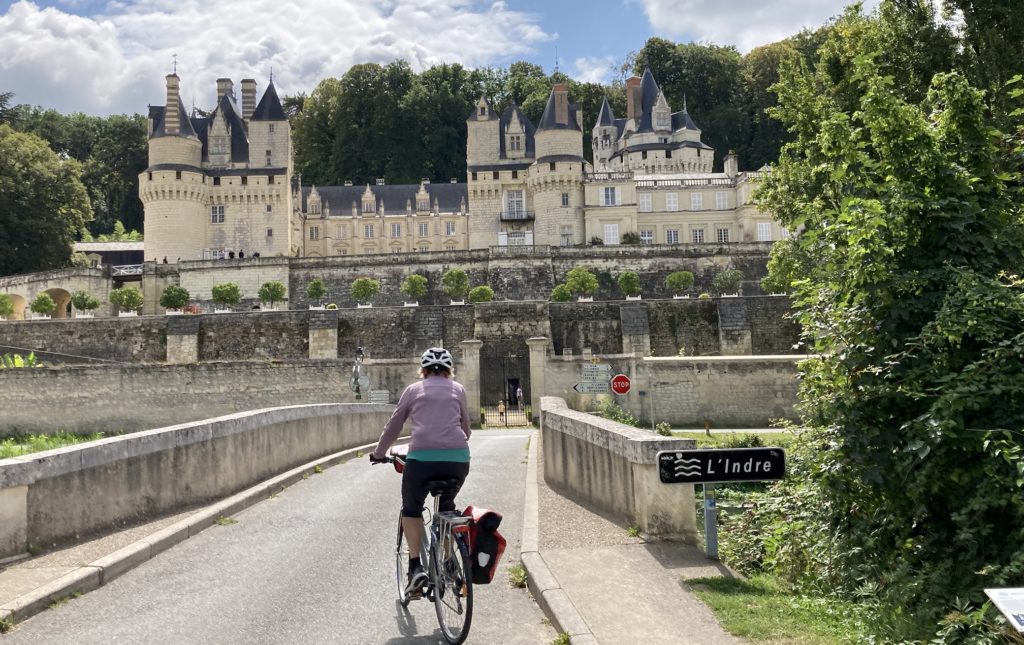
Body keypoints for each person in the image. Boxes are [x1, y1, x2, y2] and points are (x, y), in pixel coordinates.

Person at [370, 347, 471, 597]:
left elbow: (394, 424)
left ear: (423, 371)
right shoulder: (458, 390)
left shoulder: (413, 390)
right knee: (446, 510)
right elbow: (466, 430)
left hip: (421, 460)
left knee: (412, 509)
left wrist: (380, 453)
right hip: (458, 460)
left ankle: (416, 569)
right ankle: (450, 566)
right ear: (449, 371)